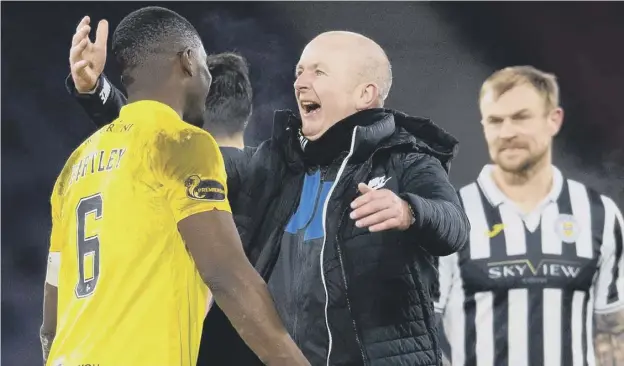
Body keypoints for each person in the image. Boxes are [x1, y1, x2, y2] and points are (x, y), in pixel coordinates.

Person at [66, 23, 470, 365]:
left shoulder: (406, 160)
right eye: (299, 70)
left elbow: (454, 227)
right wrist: (99, 94)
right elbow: (173, 151)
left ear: (364, 94)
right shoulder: (274, 163)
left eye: (319, 72)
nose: (300, 81)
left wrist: (409, 211)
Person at [41, 8, 309, 366]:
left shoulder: (73, 166)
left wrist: (96, 91)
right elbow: (226, 275)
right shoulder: (186, 142)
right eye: (204, 67)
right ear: (187, 61)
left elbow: (50, 321)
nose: (208, 81)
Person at [434, 66, 624, 366]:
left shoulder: (599, 215)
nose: (507, 132)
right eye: (495, 121)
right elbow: (421, 333)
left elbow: (613, 332)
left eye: (521, 117)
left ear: (554, 120)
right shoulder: (451, 216)